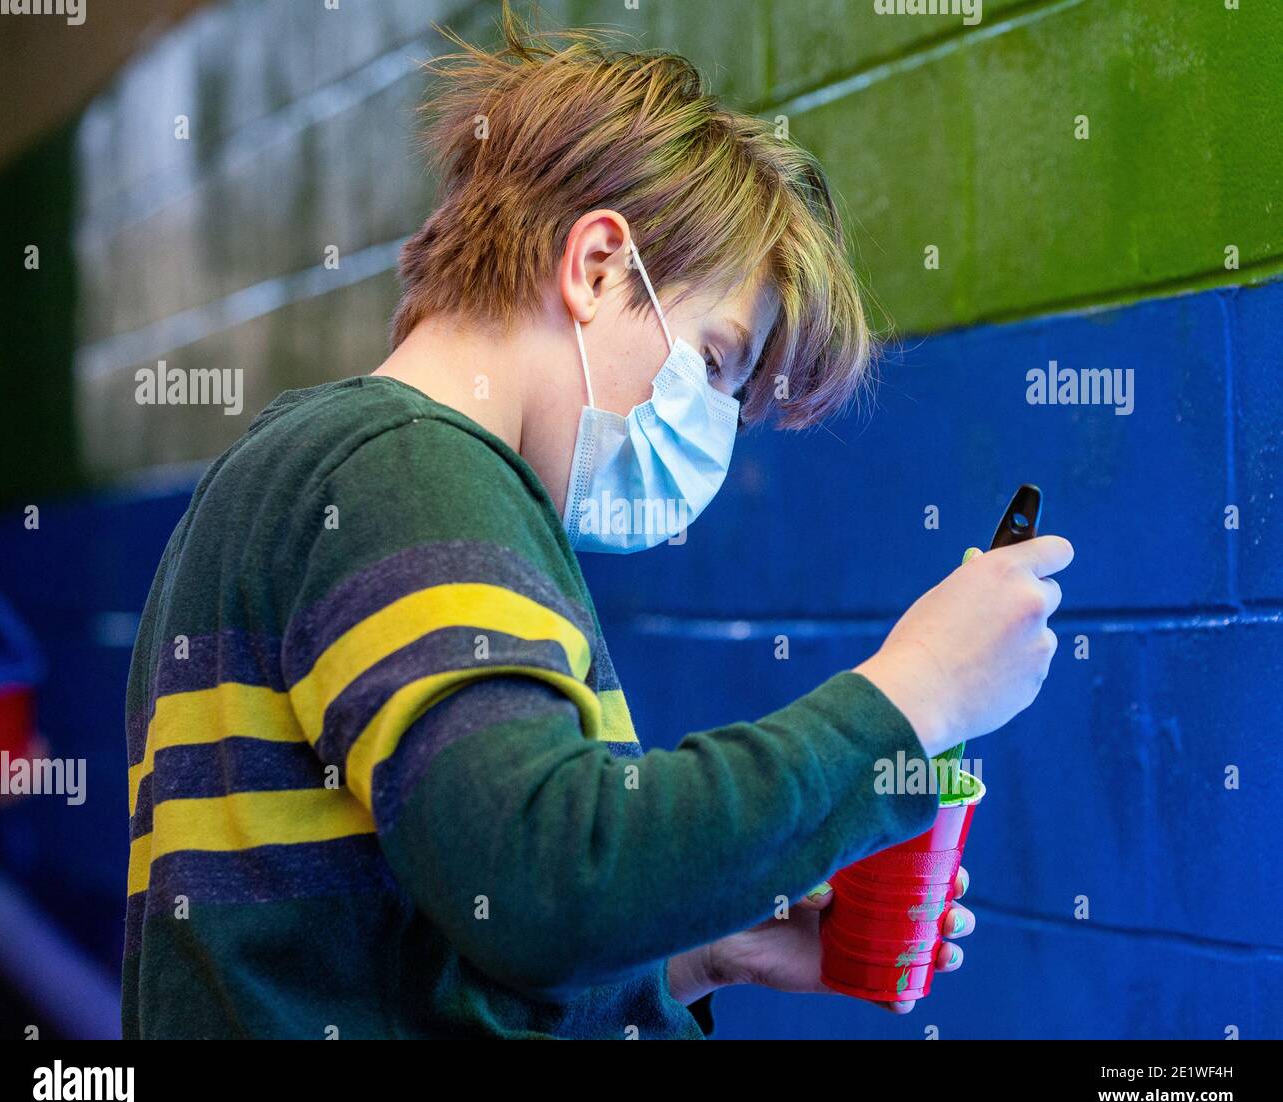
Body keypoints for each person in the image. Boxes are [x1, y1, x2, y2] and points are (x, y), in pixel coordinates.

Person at [122, 4, 1072, 1039]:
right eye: (712, 361)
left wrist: (694, 954)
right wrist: (910, 694)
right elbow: (549, 879)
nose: (710, 422)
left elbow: (450, 930)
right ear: (598, 266)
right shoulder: (405, 471)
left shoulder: (305, 472)